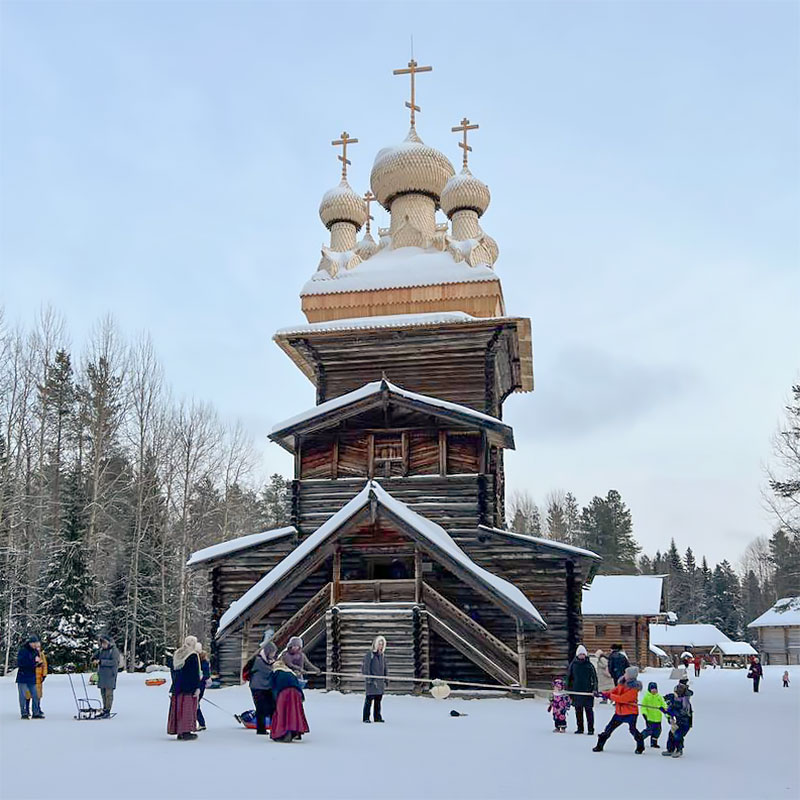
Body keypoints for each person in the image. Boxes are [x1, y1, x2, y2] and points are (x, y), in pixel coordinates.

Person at [592, 666, 645, 754]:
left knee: (632, 730)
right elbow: (613, 692)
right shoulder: (622, 684)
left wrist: (610, 696)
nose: (624, 674)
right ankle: (599, 746)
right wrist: (601, 694)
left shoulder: (633, 689)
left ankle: (640, 746)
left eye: (626, 673)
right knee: (608, 729)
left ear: (631, 676)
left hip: (630, 713)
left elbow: (622, 699)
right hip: (619, 712)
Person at [167, 635, 202, 741]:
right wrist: (197, 687)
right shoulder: (192, 655)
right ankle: (186, 732)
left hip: (177, 687)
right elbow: (194, 673)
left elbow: (173, 671)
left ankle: (179, 731)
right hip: (188, 688)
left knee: (178, 709)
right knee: (187, 710)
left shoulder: (177, 654)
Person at [270, 655, 309, 742]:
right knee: (295, 712)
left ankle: (282, 733)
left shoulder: (275, 672)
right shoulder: (291, 672)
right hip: (296, 693)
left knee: (282, 712)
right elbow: (297, 684)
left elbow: (273, 687)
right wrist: (302, 696)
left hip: (284, 693)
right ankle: (297, 732)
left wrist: (274, 700)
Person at [566, 644, 597, 734]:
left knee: (589, 711)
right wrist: (569, 691)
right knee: (578, 711)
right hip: (577, 691)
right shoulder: (573, 665)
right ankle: (580, 728)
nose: (582, 656)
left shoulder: (589, 665)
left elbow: (594, 678)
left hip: (588, 692)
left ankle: (591, 729)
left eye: (583, 654)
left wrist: (594, 689)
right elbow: (569, 678)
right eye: (580, 654)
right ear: (577, 655)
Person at [250, 640, 278, 735]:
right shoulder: (259, 660)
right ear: (267, 651)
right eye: (272, 652)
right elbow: (268, 671)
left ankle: (273, 727)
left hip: (267, 687)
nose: (273, 654)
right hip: (257, 687)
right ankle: (261, 729)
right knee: (261, 708)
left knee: (272, 707)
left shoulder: (269, 660)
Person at [662, 681, 693, 758]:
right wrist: (666, 709)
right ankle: (670, 749)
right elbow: (669, 704)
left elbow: (682, 712)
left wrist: (671, 712)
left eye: (676, 693)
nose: (675, 695)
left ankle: (679, 750)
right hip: (678, 722)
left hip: (685, 723)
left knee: (678, 735)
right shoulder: (674, 698)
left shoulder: (685, 701)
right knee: (671, 734)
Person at [92, 634, 121, 718]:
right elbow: (95, 656)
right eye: (102, 643)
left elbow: (115, 662)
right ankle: (104, 708)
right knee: (103, 693)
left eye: (104, 643)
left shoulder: (114, 651)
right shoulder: (101, 650)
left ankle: (107, 710)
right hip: (102, 675)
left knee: (109, 694)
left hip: (110, 675)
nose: (103, 645)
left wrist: (101, 662)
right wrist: (93, 659)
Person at [16, 635, 44, 719]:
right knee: (23, 696)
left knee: (36, 695)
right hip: (23, 676)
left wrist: (39, 664)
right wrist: (33, 661)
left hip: (32, 676)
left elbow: (35, 663)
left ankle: (36, 712)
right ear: (30, 643)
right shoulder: (23, 651)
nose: (35, 645)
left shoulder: (35, 651)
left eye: (37, 643)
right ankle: (24, 713)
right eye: (34, 643)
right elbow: (21, 663)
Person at [362, 635, 388, 723]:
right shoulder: (370, 654)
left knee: (378, 701)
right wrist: (369, 679)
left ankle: (377, 717)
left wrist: (386, 678)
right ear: (376, 644)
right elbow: (366, 668)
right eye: (379, 644)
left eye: (382, 644)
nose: (380, 646)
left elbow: (385, 668)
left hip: (380, 682)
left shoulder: (382, 656)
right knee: (369, 700)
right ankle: (366, 717)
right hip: (372, 682)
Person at [640, 681, 667, 748]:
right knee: (649, 730)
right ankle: (640, 738)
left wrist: (665, 710)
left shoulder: (659, 697)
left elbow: (664, 705)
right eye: (652, 689)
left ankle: (654, 743)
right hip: (650, 718)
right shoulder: (647, 697)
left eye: (655, 689)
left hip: (658, 719)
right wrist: (644, 713)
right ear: (649, 689)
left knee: (657, 731)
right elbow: (643, 706)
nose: (654, 690)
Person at [24, 641, 48, 712]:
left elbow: (44, 665)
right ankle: (27, 709)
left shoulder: (41, 655)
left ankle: (37, 708)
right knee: (28, 693)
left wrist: (44, 675)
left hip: (39, 678)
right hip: (29, 677)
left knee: (38, 694)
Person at [196, 645, 211, 731]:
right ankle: (200, 722)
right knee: (196, 705)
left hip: (200, 686)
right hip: (199, 685)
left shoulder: (204, 662)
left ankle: (201, 723)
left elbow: (206, 675)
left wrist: (200, 679)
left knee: (196, 705)